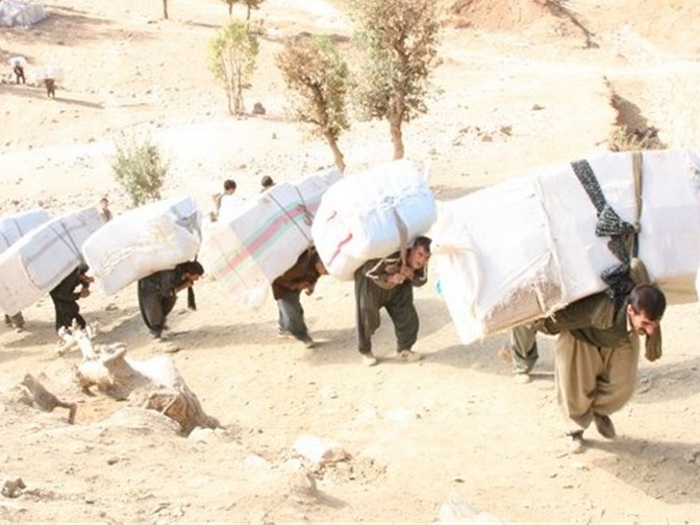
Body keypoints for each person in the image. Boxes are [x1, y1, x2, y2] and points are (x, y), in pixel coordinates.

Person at [509, 283, 666, 453]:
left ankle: (598, 411)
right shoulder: (599, 309)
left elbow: (650, 318)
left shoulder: (642, 295)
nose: (650, 329)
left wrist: (653, 346)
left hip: (620, 336)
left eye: (654, 324)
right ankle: (575, 430)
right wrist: (532, 321)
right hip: (581, 336)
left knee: (623, 385)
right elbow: (557, 321)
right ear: (630, 310)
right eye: (646, 323)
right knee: (576, 388)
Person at [354, 235, 432, 367]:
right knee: (367, 316)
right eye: (419, 254)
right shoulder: (393, 255)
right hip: (371, 285)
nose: (421, 260)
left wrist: (411, 275)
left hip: (397, 289)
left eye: (426, 257)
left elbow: (422, 280)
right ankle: (366, 351)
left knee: (408, 316)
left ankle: (404, 350)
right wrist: (390, 278)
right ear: (411, 250)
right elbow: (367, 270)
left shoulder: (421, 265)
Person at [272, 246, 327, 349]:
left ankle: (283, 329)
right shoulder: (299, 266)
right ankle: (303, 336)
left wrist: (311, 284)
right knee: (292, 311)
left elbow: (316, 274)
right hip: (283, 284)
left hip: (295, 280)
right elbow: (278, 278)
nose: (326, 273)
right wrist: (297, 285)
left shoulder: (317, 261)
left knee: (287, 306)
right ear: (319, 263)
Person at [137, 261, 204, 339]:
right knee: (153, 311)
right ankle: (155, 331)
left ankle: (160, 323)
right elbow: (166, 292)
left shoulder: (180, 273)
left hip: (159, 288)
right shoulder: (170, 275)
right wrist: (183, 286)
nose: (197, 279)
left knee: (171, 299)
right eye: (197, 276)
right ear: (189, 274)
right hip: (149, 288)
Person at [49, 265, 93, 332]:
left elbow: (82, 278)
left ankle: (63, 328)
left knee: (66, 309)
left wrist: (85, 285)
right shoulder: (72, 275)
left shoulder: (79, 271)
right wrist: (79, 295)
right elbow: (62, 295)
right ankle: (64, 329)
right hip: (57, 290)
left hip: (62, 289)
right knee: (66, 309)